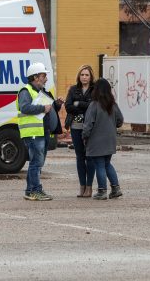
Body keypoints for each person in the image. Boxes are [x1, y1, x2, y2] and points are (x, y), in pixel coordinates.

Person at [17, 62, 64, 201]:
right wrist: (43, 108)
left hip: (42, 132)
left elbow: (49, 109)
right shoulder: (25, 91)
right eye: (44, 76)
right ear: (35, 77)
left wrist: (56, 105)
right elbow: (24, 107)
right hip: (33, 133)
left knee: (37, 162)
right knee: (36, 163)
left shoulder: (42, 92)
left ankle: (30, 190)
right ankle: (35, 190)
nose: (46, 79)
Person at [83, 78, 124, 200]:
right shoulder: (113, 105)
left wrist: (84, 137)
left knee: (99, 165)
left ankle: (102, 191)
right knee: (107, 164)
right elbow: (120, 120)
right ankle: (115, 189)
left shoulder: (94, 105)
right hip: (110, 140)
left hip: (96, 140)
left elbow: (88, 125)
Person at [65, 64, 95, 198]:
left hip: (91, 128)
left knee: (90, 157)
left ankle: (89, 187)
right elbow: (68, 106)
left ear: (91, 77)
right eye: (82, 75)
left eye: (87, 75)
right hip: (76, 127)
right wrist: (83, 107)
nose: (84, 77)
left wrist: (78, 104)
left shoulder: (95, 90)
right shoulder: (73, 89)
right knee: (80, 157)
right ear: (79, 76)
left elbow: (94, 107)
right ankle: (82, 186)